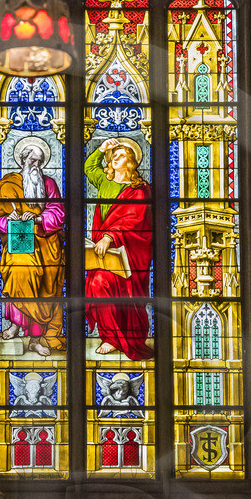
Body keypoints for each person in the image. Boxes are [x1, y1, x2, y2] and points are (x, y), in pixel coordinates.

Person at [83, 140, 152, 359]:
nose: (115, 157)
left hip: (130, 252)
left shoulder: (139, 191)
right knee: (97, 284)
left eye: (121, 155)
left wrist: (110, 236)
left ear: (131, 162)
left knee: (103, 284)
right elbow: (89, 168)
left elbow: (133, 218)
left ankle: (120, 338)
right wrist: (102, 149)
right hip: (104, 251)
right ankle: (109, 336)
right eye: (113, 155)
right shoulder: (105, 180)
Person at [0, 137, 65, 350]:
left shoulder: (49, 184)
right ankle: (15, 325)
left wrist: (37, 219)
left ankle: (36, 339)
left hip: (47, 243)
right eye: (32, 160)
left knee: (44, 286)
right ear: (23, 160)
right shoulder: (8, 183)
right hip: (19, 242)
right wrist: (9, 220)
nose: (36, 165)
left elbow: (58, 212)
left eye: (39, 161)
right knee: (20, 274)